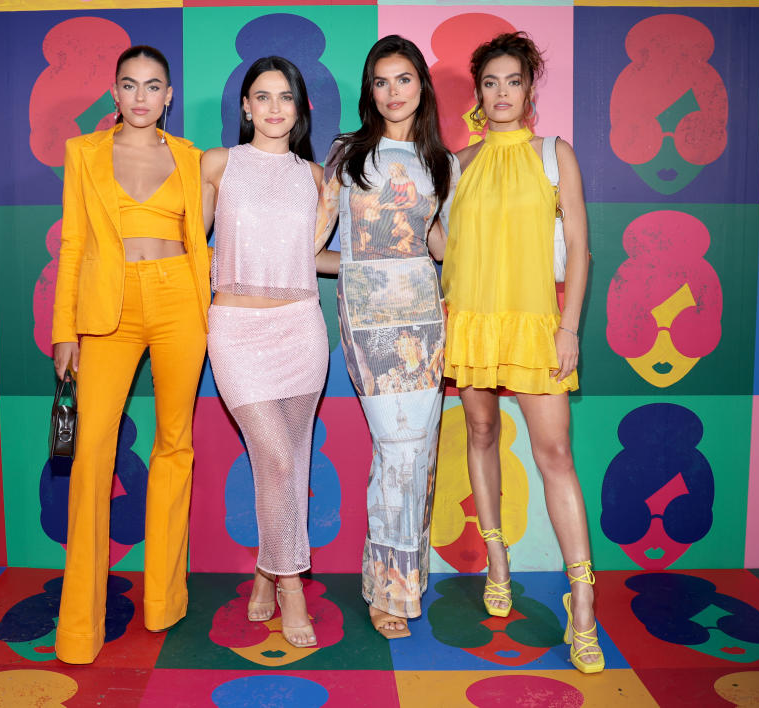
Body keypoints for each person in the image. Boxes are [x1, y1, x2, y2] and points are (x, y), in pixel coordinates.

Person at [441, 32, 603, 673]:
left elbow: (582, 247)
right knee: (479, 433)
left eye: (512, 81)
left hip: (538, 322)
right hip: (474, 321)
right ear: (478, 93)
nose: (501, 93)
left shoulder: (553, 154)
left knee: (555, 455)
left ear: (529, 88)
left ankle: (583, 606)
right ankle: (498, 561)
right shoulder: (459, 163)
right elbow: (445, 248)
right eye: (490, 82)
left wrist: (569, 328)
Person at [51, 45, 209, 664]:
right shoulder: (83, 153)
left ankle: (165, 598)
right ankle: (78, 626)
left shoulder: (193, 159)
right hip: (105, 312)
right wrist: (64, 330)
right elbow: (71, 243)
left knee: (175, 443)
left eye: (153, 85)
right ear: (114, 94)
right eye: (129, 84)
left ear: (169, 95)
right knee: (92, 452)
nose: (141, 96)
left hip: (178, 303)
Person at [314, 35, 458, 640]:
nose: (393, 92)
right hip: (369, 321)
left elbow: (440, 249)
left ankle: (403, 583)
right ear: (369, 91)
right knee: (399, 450)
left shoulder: (442, 163)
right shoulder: (348, 154)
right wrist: (358, 268)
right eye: (381, 81)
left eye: (403, 79)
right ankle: (386, 590)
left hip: (426, 320)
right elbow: (314, 245)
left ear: (421, 86)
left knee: (418, 457)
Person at [201, 56, 331, 649]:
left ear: (300, 109)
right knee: (277, 461)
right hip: (236, 331)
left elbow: (311, 258)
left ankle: (264, 570)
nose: (274, 107)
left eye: (286, 97)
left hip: (301, 328)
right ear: (246, 107)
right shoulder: (219, 165)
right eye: (262, 96)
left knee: (291, 463)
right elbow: (187, 244)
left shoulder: (316, 176)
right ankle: (292, 586)